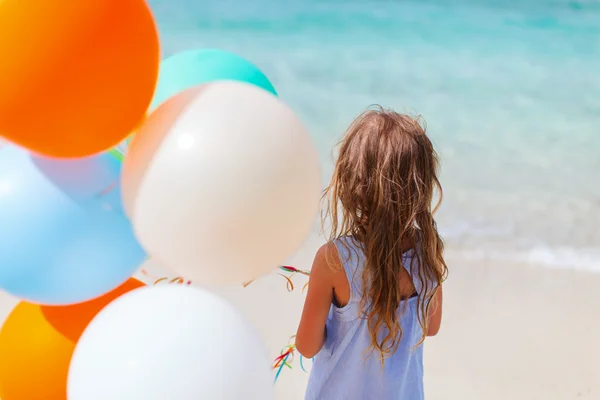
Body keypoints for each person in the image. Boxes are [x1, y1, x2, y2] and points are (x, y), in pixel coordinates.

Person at [296, 107, 448, 399]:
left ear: (352, 184)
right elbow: (431, 326)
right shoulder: (427, 252)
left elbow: (306, 345)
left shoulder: (335, 258)